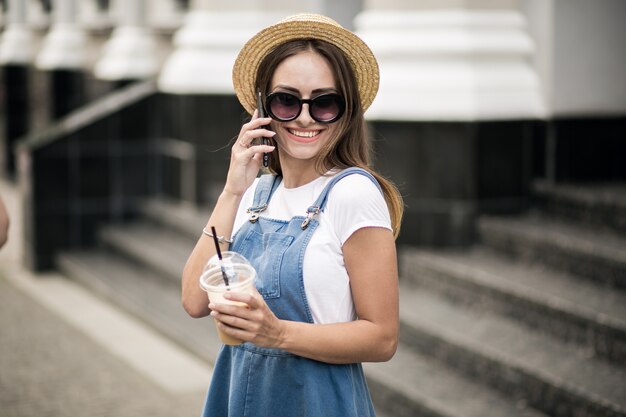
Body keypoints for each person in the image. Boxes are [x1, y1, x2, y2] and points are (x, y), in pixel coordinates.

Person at [181, 13, 403, 417]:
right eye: (287, 100)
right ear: (264, 108)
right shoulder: (254, 192)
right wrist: (232, 191)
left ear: (345, 110)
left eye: (324, 102)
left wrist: (278, 334)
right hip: (239, 395)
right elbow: (195, 300)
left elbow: (382, 338)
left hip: (316, 402)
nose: (303, 117)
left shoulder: (353, 193)